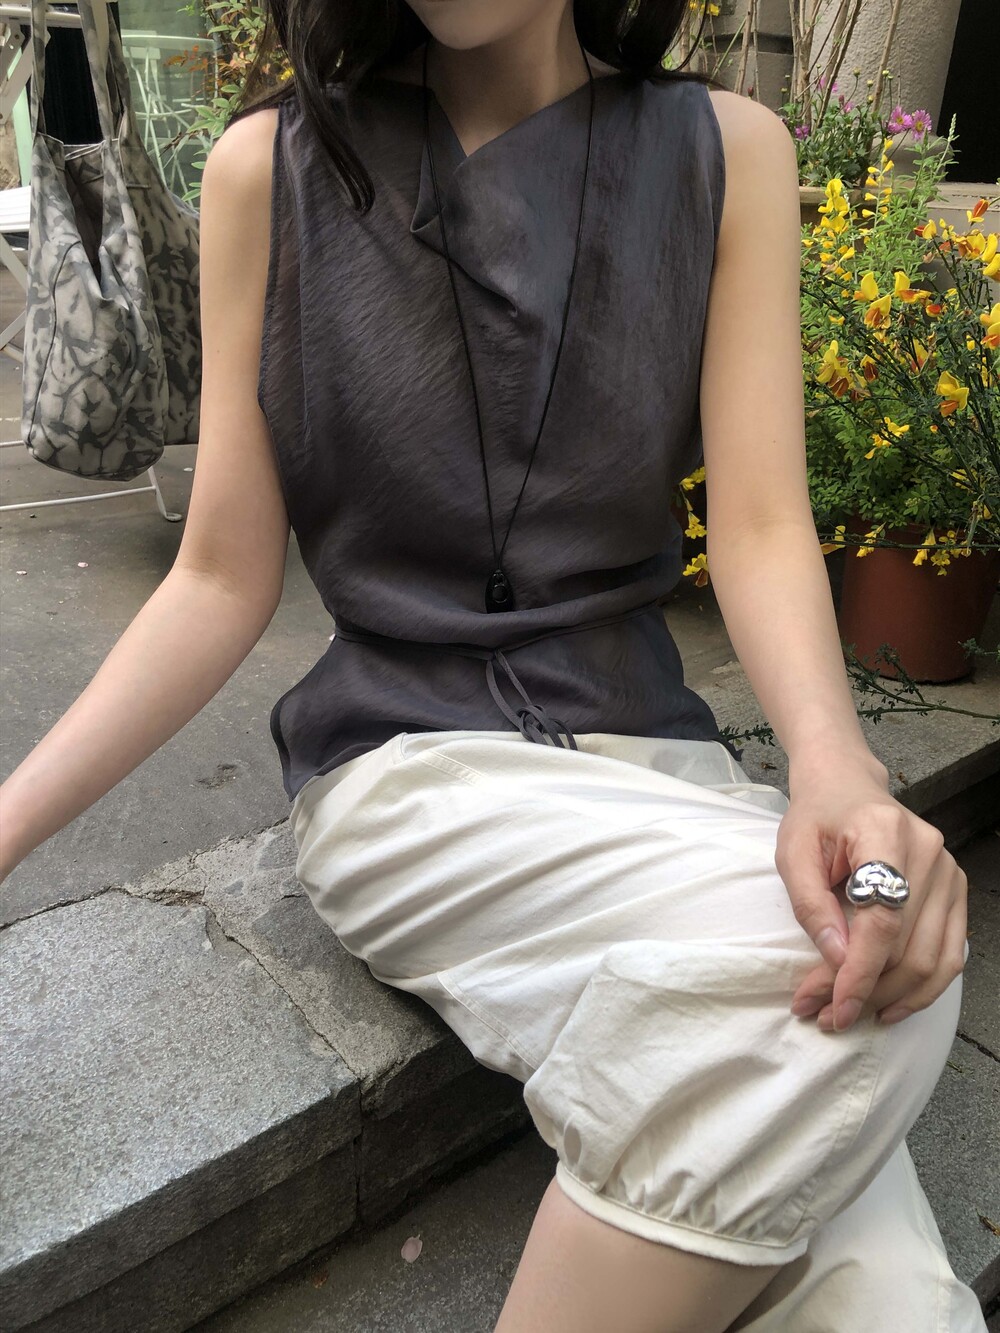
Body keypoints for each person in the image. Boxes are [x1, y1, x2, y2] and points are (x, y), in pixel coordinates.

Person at [0, 2, 987, 1330]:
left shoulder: (728, 152)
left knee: (896, 1296)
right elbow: (220, 576)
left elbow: (760, 524)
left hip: (661, 775)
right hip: (410, 771)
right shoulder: (270, 173)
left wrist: (836, 767)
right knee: (851, 968)